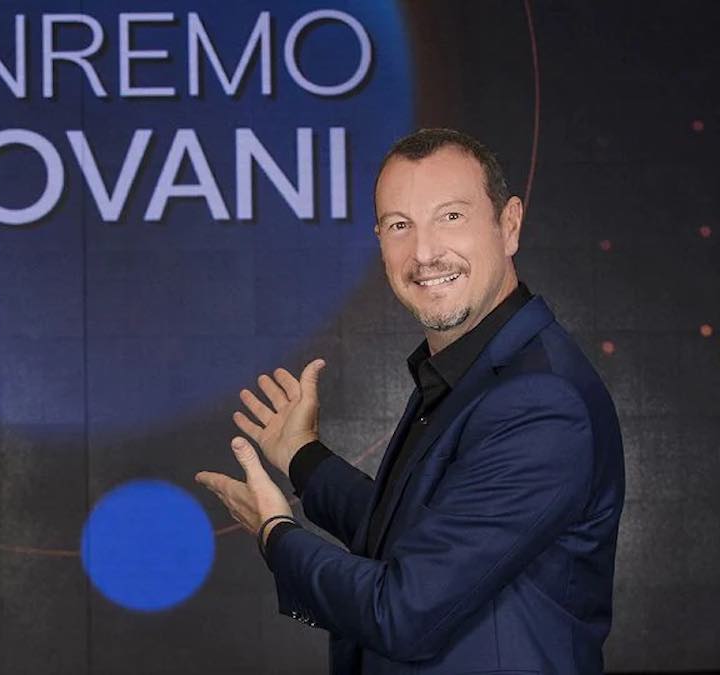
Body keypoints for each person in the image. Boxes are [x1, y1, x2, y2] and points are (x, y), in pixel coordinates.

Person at [196, 128, 625, 674]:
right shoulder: (474, 371)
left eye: (451, 216)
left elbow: (402, 612)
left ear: (510, 225)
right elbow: (419, 534)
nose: (423, 253)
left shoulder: (541, 401)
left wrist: (276, 534)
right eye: (400, 225)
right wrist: (303, 456)